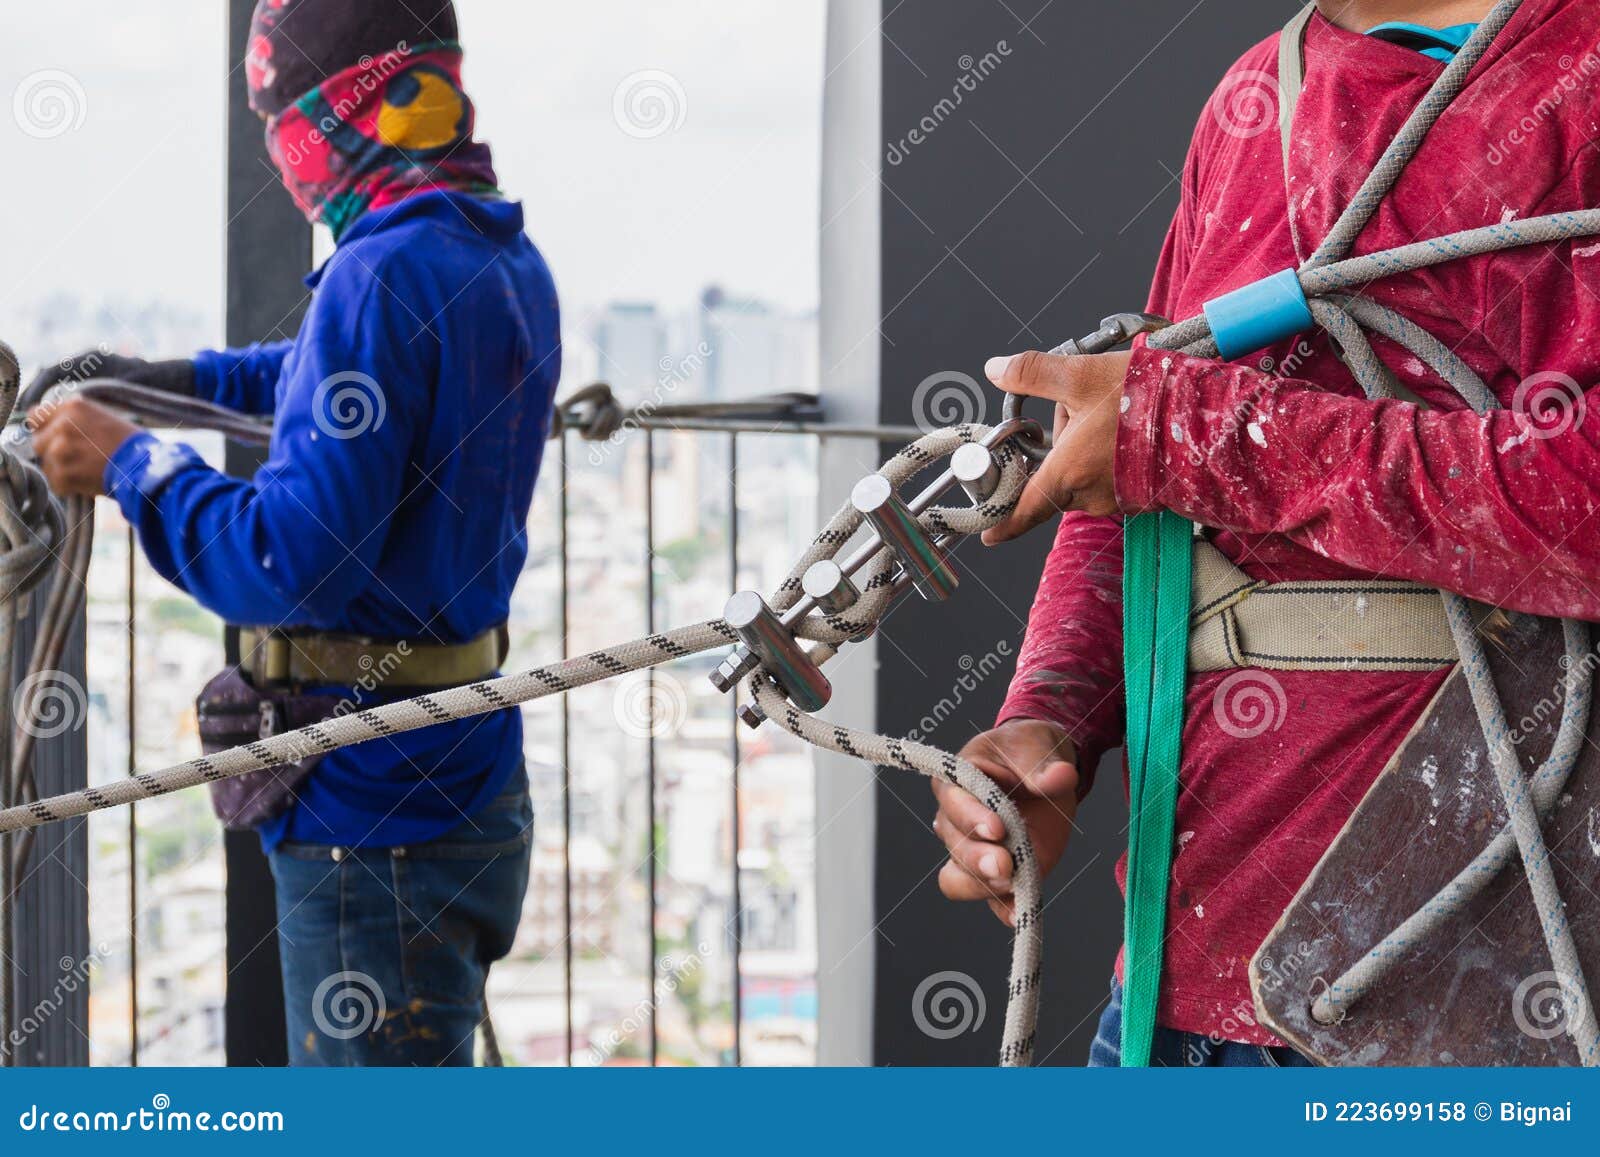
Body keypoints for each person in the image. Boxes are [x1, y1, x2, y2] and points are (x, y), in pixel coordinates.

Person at [930, 0, 1598, 1066]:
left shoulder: (1577, 75)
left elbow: (1581, 496)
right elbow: (1131, 461)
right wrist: (1047, 723)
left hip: (1466, 1012)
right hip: (1173, 992)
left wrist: (1189, 432)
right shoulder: (1255, 94)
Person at [28, 0, 559, 1066]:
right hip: (460, 775)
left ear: (326, 118)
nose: (283, 162)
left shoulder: (380, 270)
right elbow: (321, 377)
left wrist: (131, 463)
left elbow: (282, 558)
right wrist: (156, 387)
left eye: (281, 126)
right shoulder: (490, 251)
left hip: (373, 815)